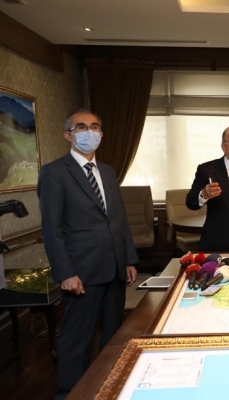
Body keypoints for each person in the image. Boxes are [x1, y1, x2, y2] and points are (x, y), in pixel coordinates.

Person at [38, 109, 139, 399]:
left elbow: (119, 219)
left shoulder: (108, 171)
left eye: (94, 127)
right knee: (77, 338)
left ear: (101, 134)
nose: (89, 132)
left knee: (113, 335)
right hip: (81, 271)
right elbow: (52, 229)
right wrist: (65, 273)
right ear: (68, 135)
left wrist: (129, 258)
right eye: (81, 127)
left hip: (115, 266)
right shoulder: (54, 173)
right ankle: (70, 393)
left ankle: (109, 386)